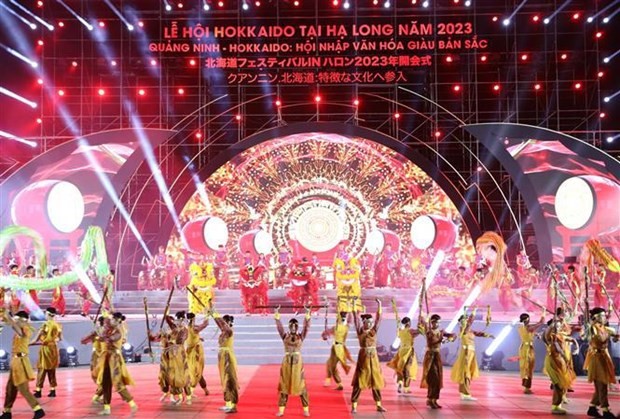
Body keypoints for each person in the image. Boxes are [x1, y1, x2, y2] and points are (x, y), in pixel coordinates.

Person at [0, 310, 46, 419]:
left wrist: (8, 315)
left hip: (20, 361)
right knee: (10, 388)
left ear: (22, 320)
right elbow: (12, 324)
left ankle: (38, 409)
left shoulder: (25, 329)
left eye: (17, 320)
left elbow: (15, 327)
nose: (15, 322)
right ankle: (7, 411)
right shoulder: (20, 330)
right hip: (15, 361)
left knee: (22, 388)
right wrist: (5, 315)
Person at [93, 312, 137, 415]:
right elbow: (104, 336)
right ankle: (107, 407)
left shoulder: (118, 331)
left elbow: (109, 339)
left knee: (117, 382)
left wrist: (99, 336)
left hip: (114, 359)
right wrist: (98, 331)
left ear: (116, 321)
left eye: (112, 319)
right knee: (105, 382)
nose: (110, 321)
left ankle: (132, 403)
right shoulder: (110, 329)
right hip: (107, 358)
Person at [274, 305, 311, 417]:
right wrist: (277, 314)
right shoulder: (285, 336)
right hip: (286, 364)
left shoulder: (301, 336)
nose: (293, 327)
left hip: (297, 364)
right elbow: (279, 327)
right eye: (291, 326)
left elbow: (306, 328)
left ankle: (306, 409)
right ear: (289, 327)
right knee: (284, 385)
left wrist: (308, 314)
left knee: (301, 385)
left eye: (295, 326)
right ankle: (281, 410)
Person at [351, 299, 386, 414]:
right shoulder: (360, 330)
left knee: (375, 381)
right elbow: (356, 319)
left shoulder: (374, 331)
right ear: (364, 322)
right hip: (363, 358)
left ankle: (379, 405)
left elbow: (378, 320)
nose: (370, 324)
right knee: (359, 382)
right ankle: (354, 405)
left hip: (374, 359)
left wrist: (379, 304)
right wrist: (353, 304)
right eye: (368, 322)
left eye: (371, 322)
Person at [450, 310, 494, 400]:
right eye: (464, 320)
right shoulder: (463, 330)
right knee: (465, 373)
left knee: (468, 372)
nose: (466, 322)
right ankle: (466, 393)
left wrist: (488, 335)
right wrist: (473, 312)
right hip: (466, 353)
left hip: (471, 353)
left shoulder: (469, 330)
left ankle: (463, 392)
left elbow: (478, 333)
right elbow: (469, 323)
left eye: (466, 320)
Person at [584, 307, 619, 419]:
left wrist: (615, 337)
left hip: (604, 357)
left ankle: (592, 407)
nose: (605, 317)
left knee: (600, 386)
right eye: (603, 316)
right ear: (597, 318)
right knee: (602, 384)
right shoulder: (593, 328)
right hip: (597, 358)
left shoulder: (604, 328)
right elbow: (592, 337)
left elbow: (612, 336)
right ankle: (605, 409)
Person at [420, 314, 455, 409]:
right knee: (433, 378)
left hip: (437, 356)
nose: (436, 324)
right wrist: (441, 339)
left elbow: (453, 335)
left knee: (438, 378)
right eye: (434, 322)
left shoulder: (441, 331)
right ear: (431, 322)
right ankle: (430, 399)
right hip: (430, 356)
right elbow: (431, 342)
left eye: (438, 322)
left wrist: (450, 338)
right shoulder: (429, 332)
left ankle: (434, 400)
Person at [543, 318, 573, 415]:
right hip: (553, 361)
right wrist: (551, 326)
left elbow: (569, 338)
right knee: (558, 384)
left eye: (560, 326)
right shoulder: (550, 336)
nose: (559, 328)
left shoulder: (560, 335)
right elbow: (546, 335)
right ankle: (555, 406)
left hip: (561, 361)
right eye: (557, 326)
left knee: (562, 384)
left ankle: (557, 405)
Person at [386, 311, 421, 394]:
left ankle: (400, 383)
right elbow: (420, 332)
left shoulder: (400, 331)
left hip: (401, 350)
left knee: (400, 368)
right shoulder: (411, 331)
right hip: (408, 351)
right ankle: (406, 387)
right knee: (408, 368)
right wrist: (421, 326)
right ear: (408, 323)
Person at [32, 307, 63, 398]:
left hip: (46, 349)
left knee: (42, 368)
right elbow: (59, 338)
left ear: (48, 314)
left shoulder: (45, 325)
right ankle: (52, 389)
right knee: (52, 369)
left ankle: (38, 390)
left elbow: (36, 339)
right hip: (54, 348)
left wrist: (28, 344)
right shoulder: (58, 325)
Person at [212, 312, 239, 413]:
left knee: (230, 379)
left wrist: (216, 315)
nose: (222, 325)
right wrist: (212, 312)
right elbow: (219, 323)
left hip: (228, 357)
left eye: (224, 323)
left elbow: (223, 325)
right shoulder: (223, 331)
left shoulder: (229, 331)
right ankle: (228, 403)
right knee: (224, 379)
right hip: (222, 357)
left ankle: (233, 405)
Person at [321, 311, 353, 390]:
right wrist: (325, 335)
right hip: (334, 347)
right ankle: (328, 379)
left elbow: (350, 319)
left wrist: (349, 309)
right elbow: (325, 334)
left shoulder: (345, 327)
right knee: (329, 363)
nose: (343, 319)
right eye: (341, 317)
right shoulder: (335, 327)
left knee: (332, 366)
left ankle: (339, 383)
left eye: (344, 318)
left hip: (339, 348)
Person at [518, 311, 546, 394]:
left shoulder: (522, 327)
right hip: (527, 350)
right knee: (528, 368)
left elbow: (530, 333)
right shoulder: (528, 327)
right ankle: (527, 388)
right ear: (527, 319)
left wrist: (536, 334)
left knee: (526, 367)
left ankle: (526, 386)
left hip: (524, 348)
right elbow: (541, 322)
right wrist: (543, 312)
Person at [80, 317, 106, 403]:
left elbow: (83, 341)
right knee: (96, 375)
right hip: (97, 356)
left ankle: (100, 392)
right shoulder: (96, 333)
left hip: (102, 356)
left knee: (100, 375)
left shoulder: (105, 333)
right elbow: (83, 341)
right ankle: (101, 391)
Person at [186, 313, 210, 400]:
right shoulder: (193, 328)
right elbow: (205, 324)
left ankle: (205, 390)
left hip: (193, 351)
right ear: (193, 319)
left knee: (197, 371)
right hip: (193, 352)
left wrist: (198, 338)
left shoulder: (188, 327)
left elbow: (191, 336)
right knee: (195, 371)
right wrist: (207, 314)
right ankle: (191, 391)